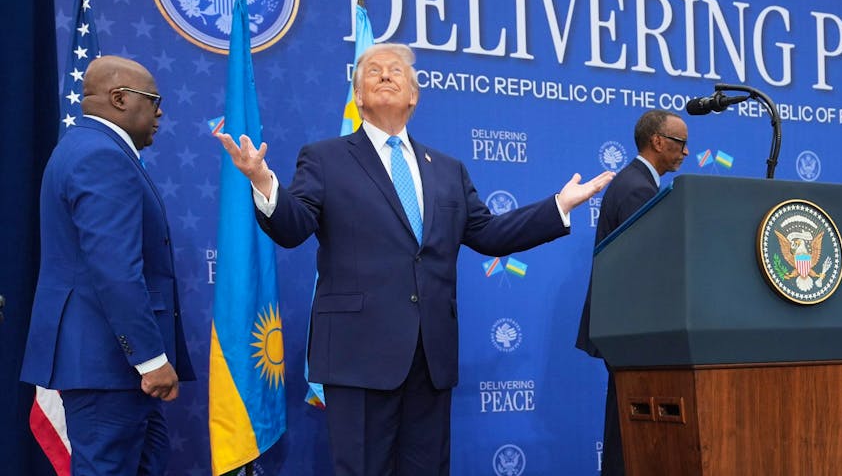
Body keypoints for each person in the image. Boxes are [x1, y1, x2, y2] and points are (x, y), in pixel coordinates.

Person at [217, 43, 614, 475]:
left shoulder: (447, 169)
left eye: (396, 71)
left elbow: (489, 233)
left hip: (430, 356)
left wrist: (559, 205)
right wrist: (262, 180)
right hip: (359, 355)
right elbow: (294, 227)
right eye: (373, 71)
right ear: (359, 97)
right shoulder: (325, 157)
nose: (385, 75)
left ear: (414, 96)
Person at [21, 56, 194, 476]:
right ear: (119, 99)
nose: (160, 111)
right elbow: (115, 269)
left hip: (109, 364)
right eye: (154, 100)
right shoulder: (101, 155)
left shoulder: (89, 148)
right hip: (107, 364)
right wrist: (151, 360)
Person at [575, 109, 689, 475]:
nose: (686, 152)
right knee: (630, 431)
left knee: (626, 427)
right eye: (681, 143)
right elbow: (643, 267)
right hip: (633, 330)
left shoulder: (636, 182)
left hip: (627, 329)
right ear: (658, 142)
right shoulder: (638, 188)